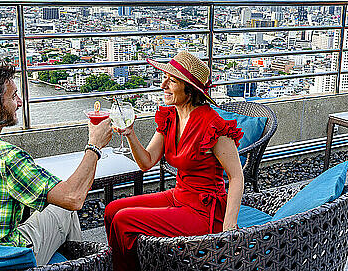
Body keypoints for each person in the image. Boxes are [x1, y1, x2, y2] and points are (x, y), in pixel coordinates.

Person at [0, 59, 112, 266]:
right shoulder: (5, 158)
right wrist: (95, 144)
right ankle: (76, 265)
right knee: (63, 208)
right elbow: (73, 197)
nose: (20, 102)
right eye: (14, 96)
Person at [104, 51, 244, 271]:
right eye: (164, 78)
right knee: (112, 210)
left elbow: (236, 176)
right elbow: (146, 162)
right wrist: (130, 134)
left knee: (124, 220)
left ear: (189, 90)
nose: (163, 85)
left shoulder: (213, 126)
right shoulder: (170, 116)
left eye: (172, 80)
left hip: (203, 210)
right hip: (178, 195)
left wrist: (229, 226)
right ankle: (125, 264)